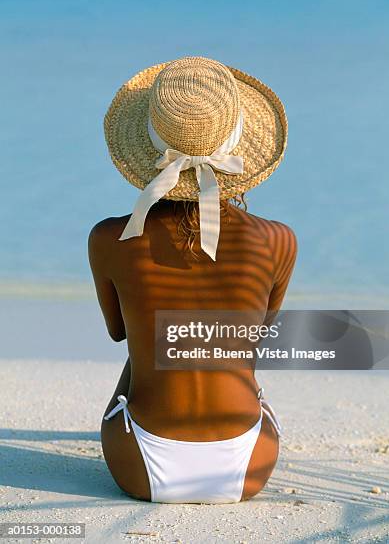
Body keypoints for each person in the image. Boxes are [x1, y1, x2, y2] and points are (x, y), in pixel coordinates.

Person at [88, 56, 297, 503]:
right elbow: (252, 338)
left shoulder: (110, 238)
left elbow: (119, 332)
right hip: (247, 465)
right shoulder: (278, 239)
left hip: (139, 465)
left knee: (147, 347)